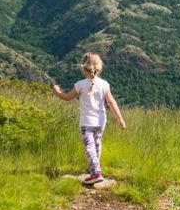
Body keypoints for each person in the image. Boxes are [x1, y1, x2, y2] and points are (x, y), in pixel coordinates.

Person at [52, 52, 126, 184]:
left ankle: (96, 173)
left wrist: (57, 92)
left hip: (86, 122)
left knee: (89, 147)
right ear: (99, 69)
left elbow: (68, 97)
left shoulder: (80, 84)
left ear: (84, 69)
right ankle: (95, 169)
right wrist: (120, 119)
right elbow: (111, 102)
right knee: (97, 144)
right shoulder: (104, 84)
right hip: (101, 122)